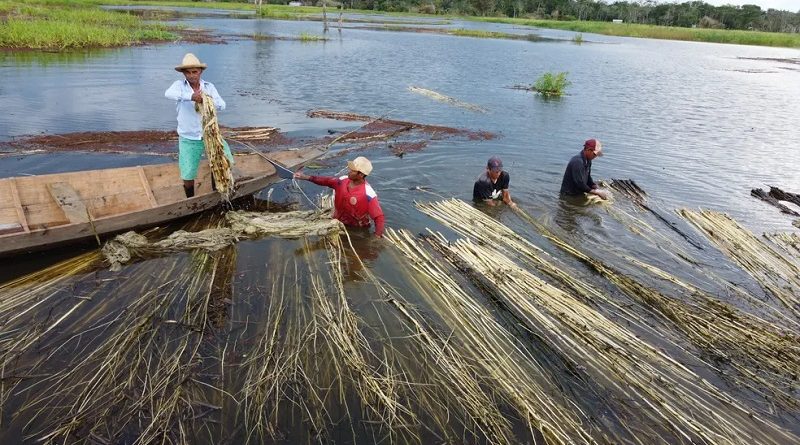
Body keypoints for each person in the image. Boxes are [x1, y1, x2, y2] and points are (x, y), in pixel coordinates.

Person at [165, 53, 234, 198]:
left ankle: (218, 191)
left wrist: (206, 99)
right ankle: (190, 199)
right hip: (188, 137)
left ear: (200, 72)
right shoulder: (178, 86)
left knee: (223, 160)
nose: (192, 75)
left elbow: (222, 105)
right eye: (188, 72)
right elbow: (168, 94)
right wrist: (190, 97)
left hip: (210, 134)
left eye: (195, 72)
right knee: (188, 172)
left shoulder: (209, 87)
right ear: (183, 73)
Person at [293, 156, 385, 238]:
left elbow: (379, 217)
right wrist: (306, 177)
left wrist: (376, 237)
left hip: (356, 231)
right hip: (337, 222)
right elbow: (326, 181)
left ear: (360, 175)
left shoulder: (368, 194)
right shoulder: (342, 181)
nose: (349, 172)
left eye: (352, 171)